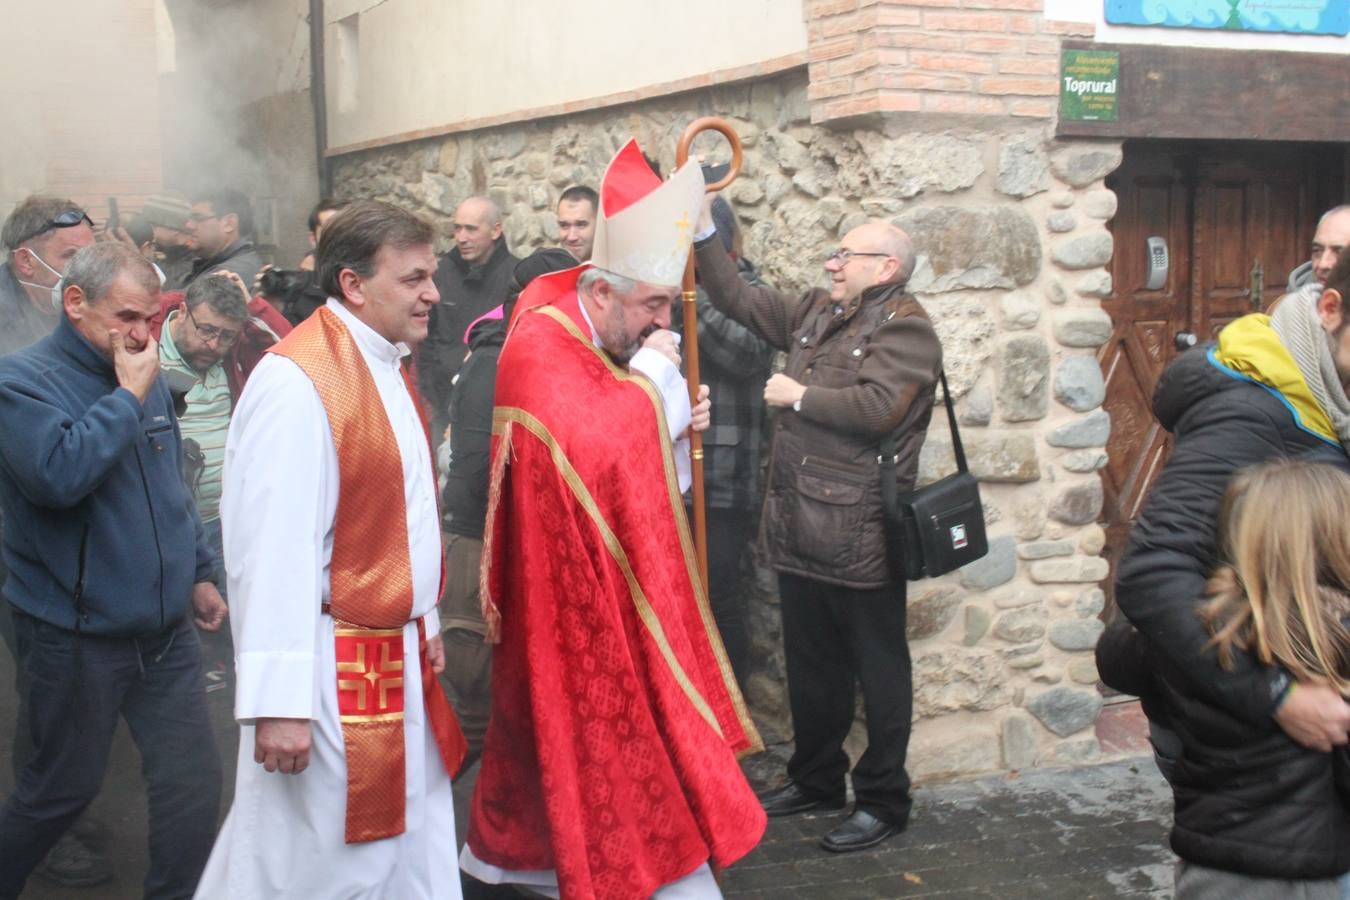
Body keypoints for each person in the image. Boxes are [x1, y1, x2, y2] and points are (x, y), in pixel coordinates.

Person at [461, 140, 765, 900]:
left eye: (668, 306)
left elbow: (612, 428)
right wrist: (657, 385)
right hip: (568, 604)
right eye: (652, 306)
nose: (663, 321)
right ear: (599, 291)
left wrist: (659, 415)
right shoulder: (538, 340)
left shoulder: (583, 325)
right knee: (600, 756)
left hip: (586, 588)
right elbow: (590, 442)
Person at [197, 200, 467, 899]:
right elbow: (270, 549)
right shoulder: (298, 382)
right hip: (326, 670)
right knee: (316, 867)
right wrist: (278, 700)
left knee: (403, 849)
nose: (432, 293)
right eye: (413, 278)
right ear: (353, 284)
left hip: (388, 649)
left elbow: (399, 506)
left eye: (431, 276)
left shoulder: (383, 361)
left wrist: (424, 616)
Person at [691, 198, 940, 853]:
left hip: (862, 532)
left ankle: (885, 799)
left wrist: (797, 395)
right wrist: (701, 230)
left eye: (845, 255)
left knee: (879, 670)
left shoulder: (907, 329)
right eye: (834, 253)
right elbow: (736, 297)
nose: (833, 263)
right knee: (811, 663)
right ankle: (817, 779)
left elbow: (883, 407)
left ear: (885, 266)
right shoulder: (814, 312)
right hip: (800, 520)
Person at [0, 243, 226, 900]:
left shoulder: (143, 372)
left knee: (193, 785)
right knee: (59, 795)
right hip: (75, 639)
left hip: (164, 634)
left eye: (152, 319)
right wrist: (127, 396)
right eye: (126, 317)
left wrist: (200, 571)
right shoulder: (20, 384)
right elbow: (60, 476)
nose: (142, 334)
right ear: (75, 304)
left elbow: (171, 484)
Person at [1100, 251, 1350, 787]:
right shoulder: (1254, 411)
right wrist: (1274, 697)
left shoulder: (1333, 403)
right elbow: (1153, 572)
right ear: (1330, 309)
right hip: (1256, 749)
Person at [1118, 460, 1350, 899]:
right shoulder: (1335, 639)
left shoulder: (1205, 632)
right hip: (1305, 875)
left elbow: (1115, 658)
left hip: (1211, 864)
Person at [673, 189, 773, 687]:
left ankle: (733, 724)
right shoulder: (671, 292)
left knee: (719, 600)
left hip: (723, 479)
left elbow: (750, 352)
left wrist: (691, 297)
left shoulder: (748, 288)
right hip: (676, 477)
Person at [420, 196, 518, 435]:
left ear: (496, 230)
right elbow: (425, 339)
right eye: (457, 228)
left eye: (471, 229)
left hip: (495, 413)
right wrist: (435, 396)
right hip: (443, 407)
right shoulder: (440, 274)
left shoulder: (516, 277)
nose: (461, 238)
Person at [0, 196, 96, 356]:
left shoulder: (99, 302)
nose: (88, 266)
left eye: (91, 254)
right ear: (26, 262)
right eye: (71, 255)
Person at [184, 188, 264, 287]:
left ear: (229, 223)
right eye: (189, 219)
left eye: (198, 218)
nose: (189, 225)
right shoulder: (224, 263)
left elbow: (183, 301)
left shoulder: (231, 273)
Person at [556, 185, 597, 262]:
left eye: (581, 225)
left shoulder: (619, 271)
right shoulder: (547, 270)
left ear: (598, 226)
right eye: (564, 225)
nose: (571, 237)